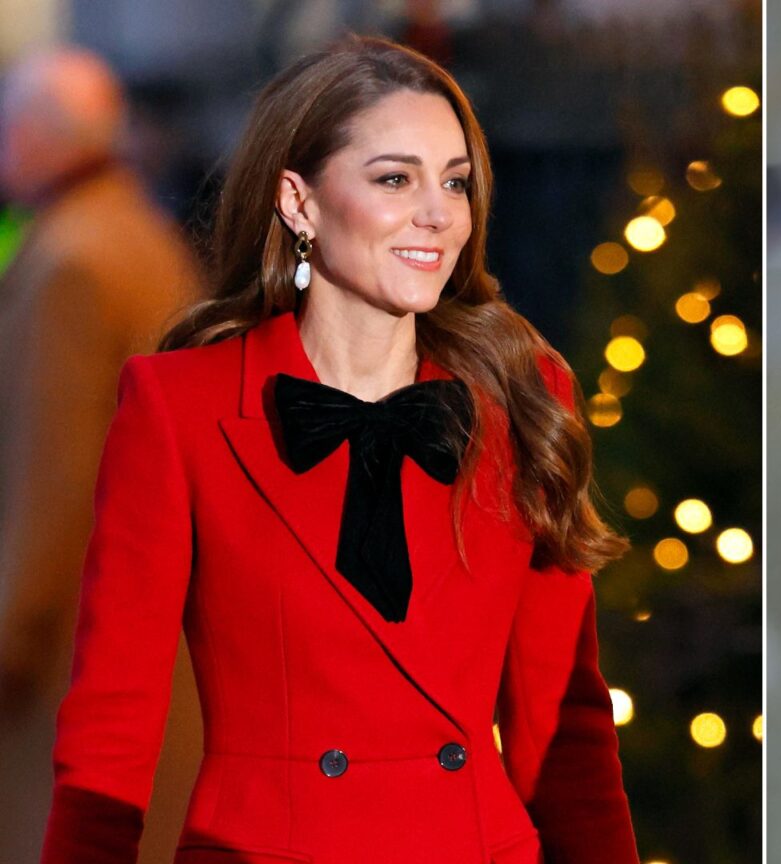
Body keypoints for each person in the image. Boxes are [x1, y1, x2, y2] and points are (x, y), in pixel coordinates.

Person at [40, 36, 638, 863]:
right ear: (301, 201)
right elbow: (112, 729)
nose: (439, 213)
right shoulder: (180, 409)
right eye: (396, 178)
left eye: (455, 181)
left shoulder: (525, 401)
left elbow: (565, 728)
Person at [0, 47, 202, 864]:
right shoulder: (136, 232)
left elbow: (52, 487)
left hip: (74, 664)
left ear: (35, 137)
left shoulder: (71, 264)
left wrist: (8, 645)